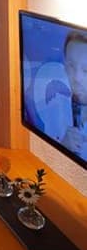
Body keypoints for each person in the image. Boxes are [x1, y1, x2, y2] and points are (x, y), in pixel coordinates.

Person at [34, 30, 87, 158]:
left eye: (86, 70)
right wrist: (63, 146)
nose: (77, 78)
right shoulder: (54, 106)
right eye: (71, 65)